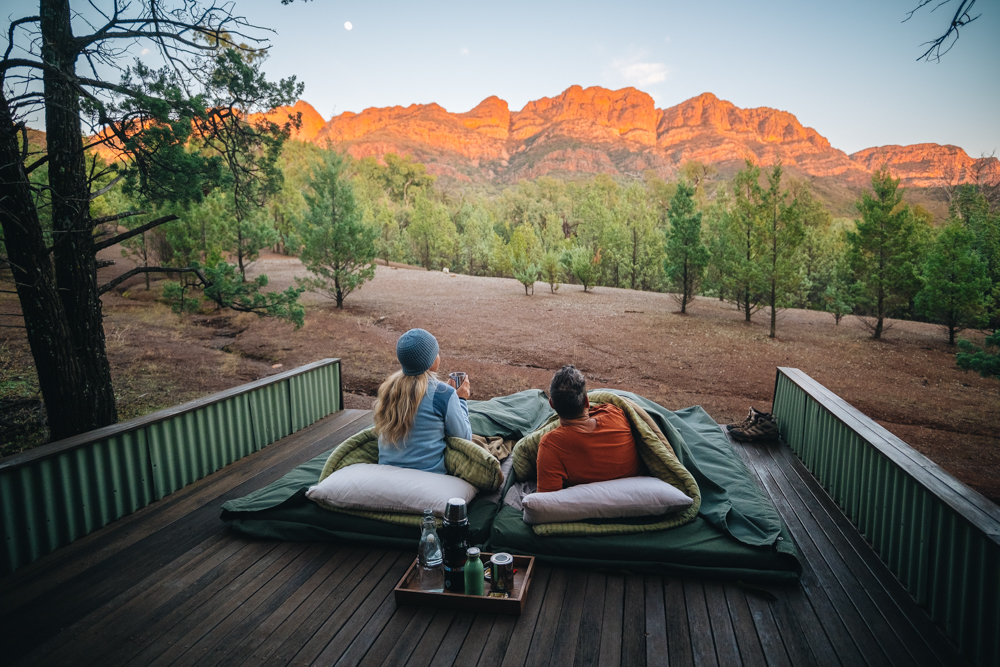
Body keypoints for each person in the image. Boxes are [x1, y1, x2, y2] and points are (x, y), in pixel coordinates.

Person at [375, 328, 473, 474]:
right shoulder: (443, 394)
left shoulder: (389, 388)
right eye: (436, 353)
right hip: (428, 477)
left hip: (386, 472)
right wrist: (461, 400)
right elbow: (465, 438)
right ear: (431, 360)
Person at [536, 365, 642, 493]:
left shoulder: (550, 445)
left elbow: (546, 501)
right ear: (587, 401)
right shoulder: (615, 414)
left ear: (551, 404)